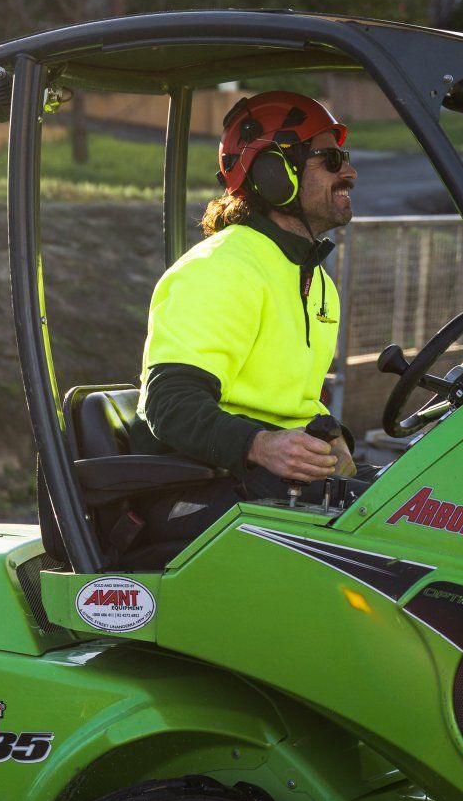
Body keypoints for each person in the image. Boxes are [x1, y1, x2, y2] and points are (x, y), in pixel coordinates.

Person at [128, 89, 358, 555]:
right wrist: (263, 445)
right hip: (197, 494)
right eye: (330, 159)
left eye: (345, 157)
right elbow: (168, 404)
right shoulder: (220, 269)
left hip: (263, 485)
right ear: (276, 173)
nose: (349, 172)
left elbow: (288, 399)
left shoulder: (312, 279)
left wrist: (332, 436)